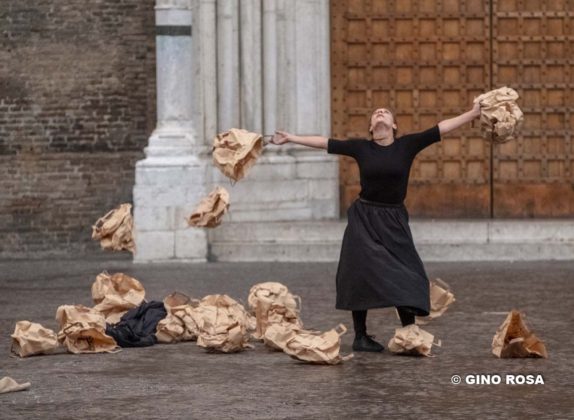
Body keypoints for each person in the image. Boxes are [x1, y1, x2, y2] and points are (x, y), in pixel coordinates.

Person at [271, 102, 481, 352]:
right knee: (359, 273)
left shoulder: (407, 145)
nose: (379, 113)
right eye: (375, 114)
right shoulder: (362, 148)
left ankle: (409, 332)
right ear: (371, 127)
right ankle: (360, 337)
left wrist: (473, 114)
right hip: (365, 217)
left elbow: (441, 128)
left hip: (393, 219)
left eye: (385, 113)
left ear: (394, 125)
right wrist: (290, 138)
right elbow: (324, 142)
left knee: (408, 272)